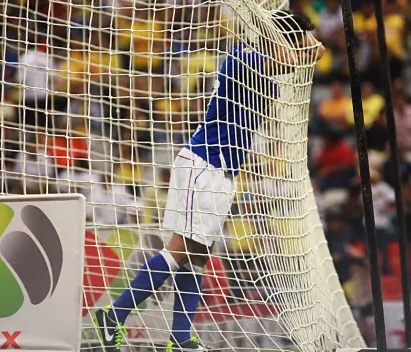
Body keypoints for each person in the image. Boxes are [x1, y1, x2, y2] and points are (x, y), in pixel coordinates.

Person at [94, 10, 325, 352]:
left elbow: (313, 52)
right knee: (182, 248)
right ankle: (115, 313)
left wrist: (298, 29)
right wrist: (285, 30)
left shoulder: (265, 69)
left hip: (222, 173)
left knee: (199, 255)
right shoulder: (244, 58)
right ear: (277, 38)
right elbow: (293, 55)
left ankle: (180, 336)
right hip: (204, 165)